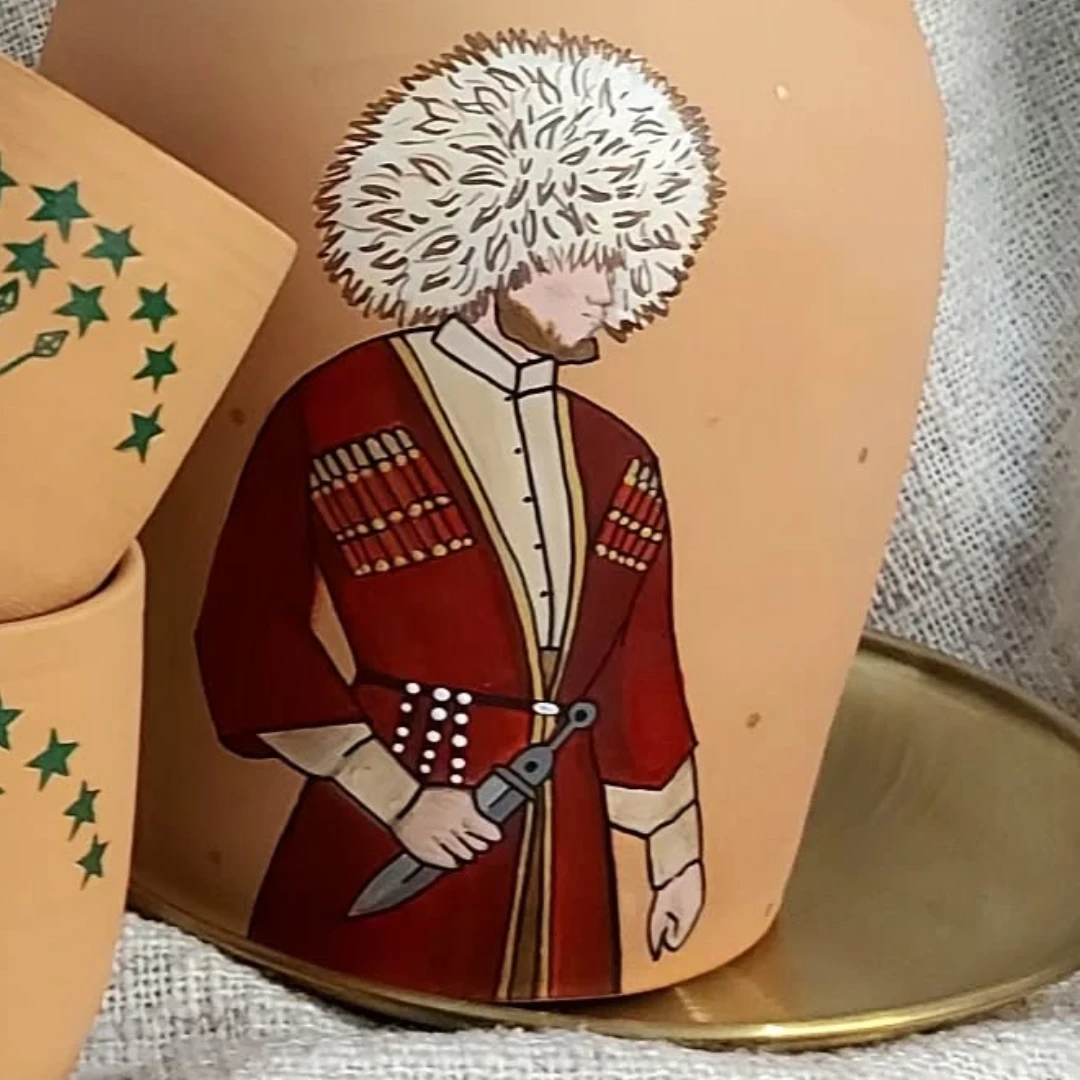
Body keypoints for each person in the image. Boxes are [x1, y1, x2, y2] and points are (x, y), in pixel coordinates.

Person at [195, 29, 724, 1002]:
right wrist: (396, 796)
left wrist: (675, 851)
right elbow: (246, 627)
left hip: (565, 840)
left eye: (622, 260)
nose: (608, 290)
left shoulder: (620, 457)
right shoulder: (335, 408)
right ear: (498, 245)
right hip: (393, 807)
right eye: (584, 259)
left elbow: (639, 668)